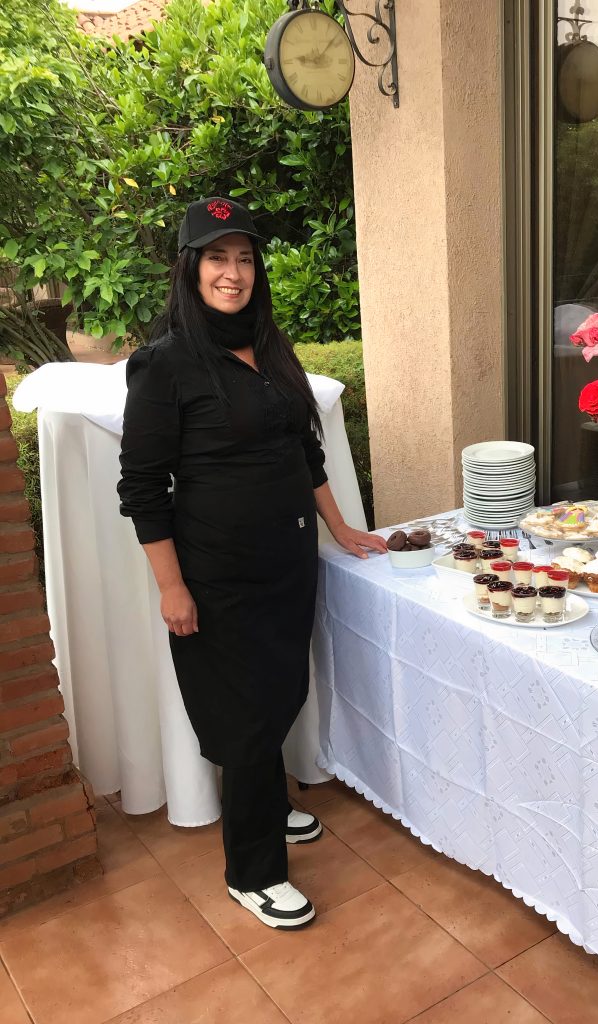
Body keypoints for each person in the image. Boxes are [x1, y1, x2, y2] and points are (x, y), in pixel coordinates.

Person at [118, 197, 387, 930]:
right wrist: (171, 586)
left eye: (243, 258)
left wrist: (343, 528)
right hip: (218, 574)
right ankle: (253, 871)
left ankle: (268, 805)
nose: (232, 273)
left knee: (274, 695)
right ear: (190, 269)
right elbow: (142, 488)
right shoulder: (164, 364)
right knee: (242, 715)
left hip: (287, 563)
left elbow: (304, 451)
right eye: (216, 257)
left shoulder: (268, 347)